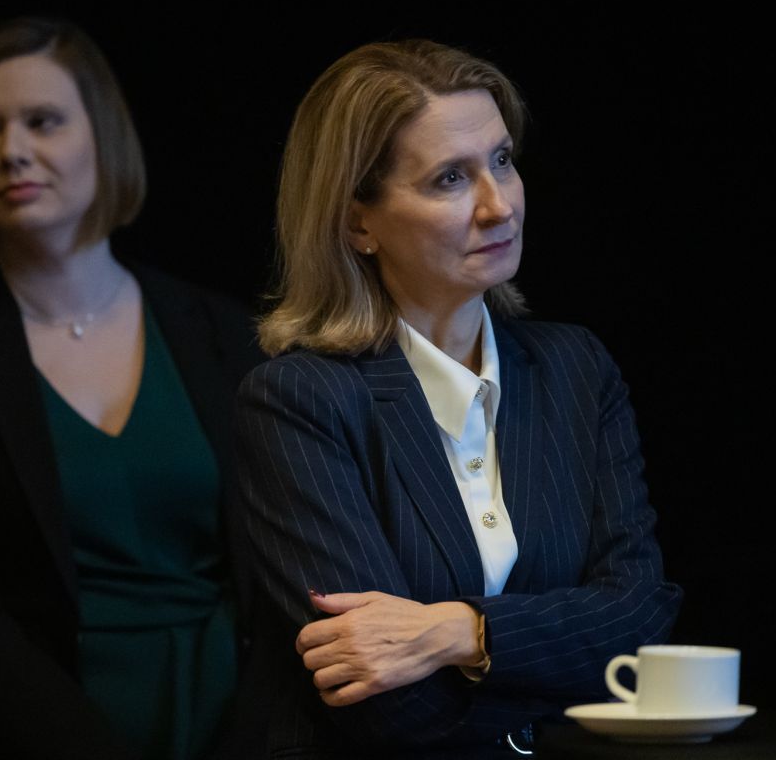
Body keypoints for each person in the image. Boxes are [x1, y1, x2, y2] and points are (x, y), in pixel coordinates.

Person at [235, 38, 683, 757]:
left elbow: (639, 619)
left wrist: (460, 632)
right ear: (357, 222)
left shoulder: (575, 367)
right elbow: (383, 702)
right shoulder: (298, 401)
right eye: (450, 178)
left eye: (502, 160)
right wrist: (559, 674)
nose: (498, 205)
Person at [0, 16, 264, 759]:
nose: (11, 150)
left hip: (240, 724)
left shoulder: (223, 334)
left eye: (43, 121)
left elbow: (279, 577)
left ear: (103, 134)